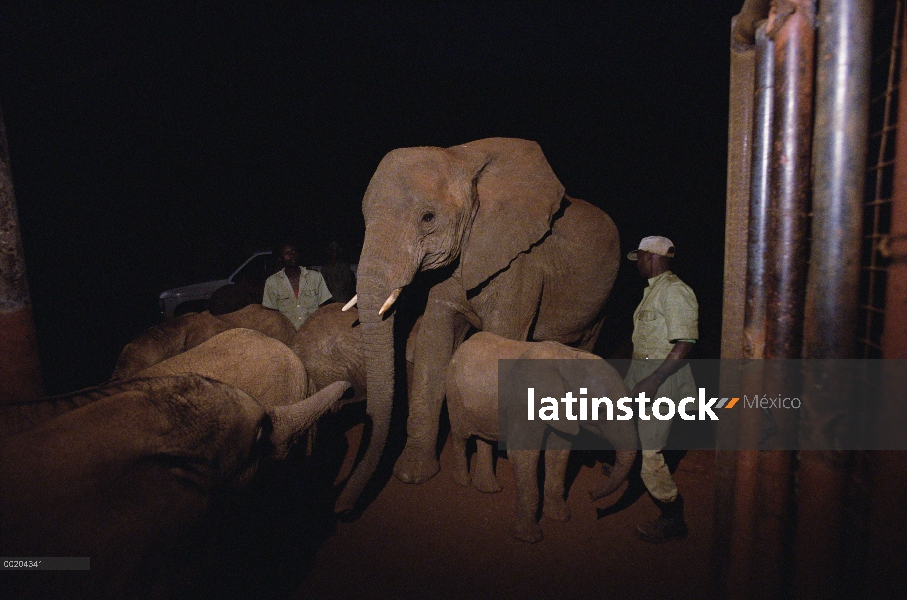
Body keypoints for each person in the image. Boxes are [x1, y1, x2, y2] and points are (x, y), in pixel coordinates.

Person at [624, 235, 698, 543]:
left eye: (639, 257)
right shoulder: (653, 292)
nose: (637, 263)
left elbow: (685, 344)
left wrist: (654, 380)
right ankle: (626, 463)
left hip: (661, 385)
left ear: (652, 257)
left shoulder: (675, 293)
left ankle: (672, 516)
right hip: (645, 379)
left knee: (651, 455)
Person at [262, 241, 332, 330]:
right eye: (287, 253)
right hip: (287, 335)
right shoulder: (272, 282)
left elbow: (324, 307)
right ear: (280, 258)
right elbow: (271, 314)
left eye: (294, 252)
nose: (292, 255)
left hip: (314, 331)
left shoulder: (315, 277)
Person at [320, 240, 356, 304]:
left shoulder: (344, 267)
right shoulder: (325, 268)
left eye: (336, 249)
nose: (334, 252)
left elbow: (349, 286)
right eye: (332, 249)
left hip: (342, 300)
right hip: (329, 300)